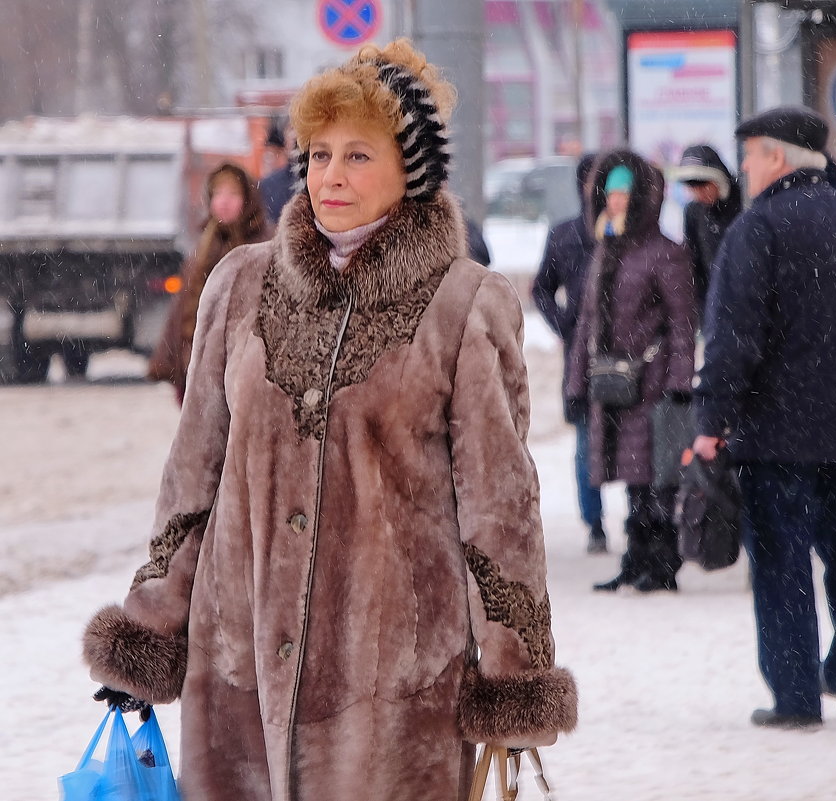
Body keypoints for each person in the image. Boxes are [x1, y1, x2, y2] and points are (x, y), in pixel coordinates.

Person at [83, 39, 577, 801]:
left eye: (356, 155)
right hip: (237, 680)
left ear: (409, 170)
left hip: (394, 689)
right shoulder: (237, 286)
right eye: (316, 155)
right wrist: (149, 635)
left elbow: (500, 510)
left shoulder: (464, 304)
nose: (329, 176)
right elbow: (191, 480)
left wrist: (513, 677)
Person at [692, 106, 836, 729]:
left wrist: (713, 421)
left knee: (782, 559)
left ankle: (795, 696)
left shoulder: (757, 229)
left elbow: (732, 339)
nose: (745, 168)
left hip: (774, 431)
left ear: (778, 157)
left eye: (752, 155)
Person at [565, 151, 696, 592]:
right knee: (630, 480)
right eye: (609, 192)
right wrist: (575, 383)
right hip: (613, 386)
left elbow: (682, 325)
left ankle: (661, 563)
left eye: (623, 192)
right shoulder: (606, 249)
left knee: (656, 481)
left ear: (641, 197)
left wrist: (679, 383)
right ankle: (636, 559)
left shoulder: (666, 253)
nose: (615, 200)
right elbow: (587, 323)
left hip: (652, 385)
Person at [532, 153, 608, 553]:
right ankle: (594, 522)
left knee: (631, 440)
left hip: (627, 353)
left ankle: (639, 521)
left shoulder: (626, 232)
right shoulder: (565, 235)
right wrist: (564, 325)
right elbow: (540, 287)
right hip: (580, 356)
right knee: (585, 441)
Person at [147, 161, 270, 404]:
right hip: (201, 366)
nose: (224, 201)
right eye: (218, 194)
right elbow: (182, 310)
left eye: (233, 194)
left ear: (248, 199)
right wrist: (173, 364)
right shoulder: (202, 248)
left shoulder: (265, 245)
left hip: (250, 369)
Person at [675, 144, 742, 312]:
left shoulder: (743, 205)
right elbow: (694, 261)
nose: (699, 194)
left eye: (704, 186)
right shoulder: (694, 212)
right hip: (713, 303)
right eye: (692, 188)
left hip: (744, 298)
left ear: (719, 180)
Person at [259, 121, 299, 225]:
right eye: (292, 129)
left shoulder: (325, 179)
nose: (296, 135)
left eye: (301, 129)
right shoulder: (268, 184)